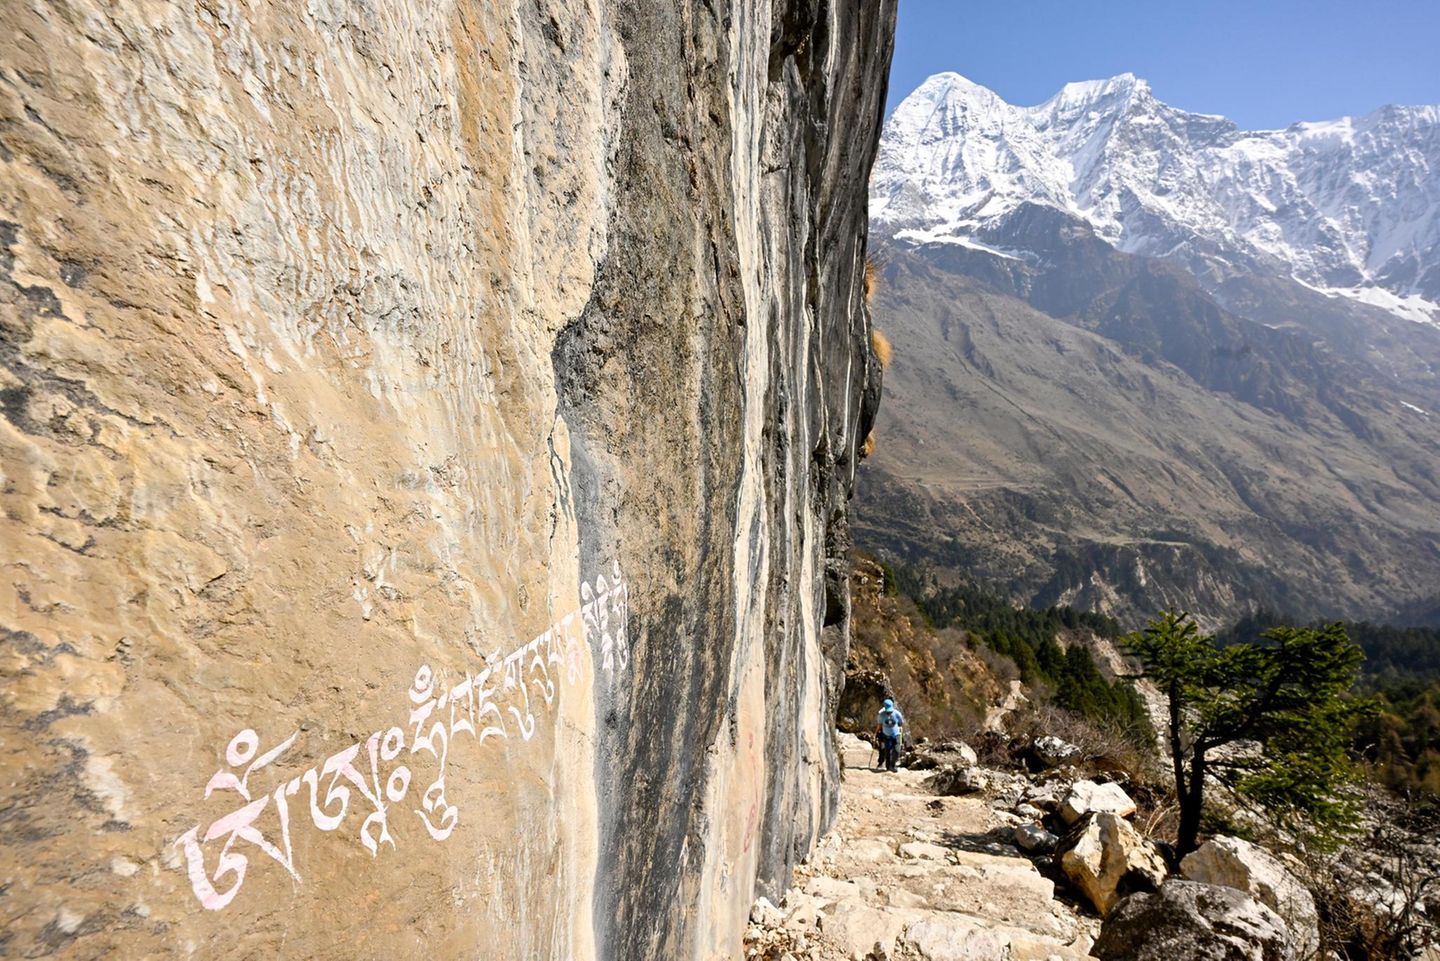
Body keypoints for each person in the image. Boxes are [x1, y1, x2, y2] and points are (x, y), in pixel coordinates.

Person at [875, 698, 905, 772]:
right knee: (887, 751)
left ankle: (893, 764)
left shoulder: (897, 714)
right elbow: (879, 725)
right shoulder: (881, 715)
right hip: (886, 736)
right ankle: (889, 766)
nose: (889, 712)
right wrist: (876, 733)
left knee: (897, 751)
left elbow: (901, 723)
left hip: (896, 735)